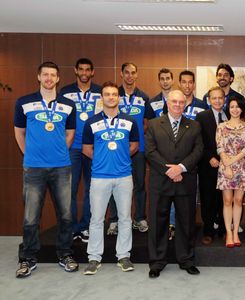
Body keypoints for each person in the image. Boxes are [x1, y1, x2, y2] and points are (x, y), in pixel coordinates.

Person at [14, 61, 78, 278]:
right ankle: (28, 258)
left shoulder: (68, 104)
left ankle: (65, 254)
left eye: (53, 75)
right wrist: (30, 155)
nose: (49, 78)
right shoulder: (24, 102)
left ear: (58, 78)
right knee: (31, 217)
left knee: (66, 215)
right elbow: (19, 133)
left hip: (61, 167)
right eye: (45, 75)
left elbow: (70, 133)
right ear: (39, 77)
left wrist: (58, 151)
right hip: (33, 169)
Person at [82, 81, 139, 275]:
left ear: (119, 98)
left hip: (124, 176)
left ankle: (123, 256)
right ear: (102, 98)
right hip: (99, 177)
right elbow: (86, 149)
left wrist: (120, 158)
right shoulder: (91, 122)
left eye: (114, 94)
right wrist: (102, 159)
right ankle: (94, 258)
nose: (111, 97)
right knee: (97, 219)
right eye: (107, 94)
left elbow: (134, 145)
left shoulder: (130, 121)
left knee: (124, 218)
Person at [146, 90, 203, 278]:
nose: (178, 104)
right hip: (160, 181)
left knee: (186, 222)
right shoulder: (154, 124)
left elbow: (198, 150)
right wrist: (169, 170)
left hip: (185, 181)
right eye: (174, 101)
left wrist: (181, 167)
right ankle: (157, 262)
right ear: (167, 103)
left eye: (181, 102)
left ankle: (186, 260)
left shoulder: (194, 126)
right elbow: (150, 151)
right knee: (157, 222)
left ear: (185, 104)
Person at [60, 58, 102, 243]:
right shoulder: (65, 92)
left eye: (88, 70)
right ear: (76, 70)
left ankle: (85, 227)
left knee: (91, 190)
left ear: (92, 72)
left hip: (94, 147)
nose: (84, 73)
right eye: (81, 70)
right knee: (70, 189)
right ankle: (71, 227)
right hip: (72, 148)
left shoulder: (100, 92)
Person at [108, 62, 150, 235]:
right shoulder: (113, 95)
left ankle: (139, 218)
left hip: (138, 150)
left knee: (139, 185)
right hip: (117, 150)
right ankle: (114, 220)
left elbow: (147, 123)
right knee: (114, 185)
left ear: (137, 74)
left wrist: (136, 137)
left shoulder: (144, 97)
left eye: (133, 72)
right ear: (121, 74)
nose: (130, 76)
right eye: (127, 72)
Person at [216, 97, 245, 248]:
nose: (235, 109)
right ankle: (228, 233)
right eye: (232, 106)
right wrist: (227, 164)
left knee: (238, 201)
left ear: (242, 108)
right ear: (228, 108)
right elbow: (219, 147)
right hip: (226, 167)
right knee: (227, 200)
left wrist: (232, 162)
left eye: (238, 106)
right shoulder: (221, 126)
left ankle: (236, 231)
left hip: (242, 166)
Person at [146, 68, 177, 240]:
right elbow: (149, 128)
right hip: (159, 156)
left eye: (168, 78)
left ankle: (173, 225)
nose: (165, 81)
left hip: (178, 156)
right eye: (162, 79)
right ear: (159, 81)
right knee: (162, 196)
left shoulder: (179, 99)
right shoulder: (152, 102)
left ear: (172, 80)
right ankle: (162, 228)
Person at [195, 86, 228, 245]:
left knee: (224, 199)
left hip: (227, 165)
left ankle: (223, 229)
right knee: (207, 198)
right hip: (207, 165)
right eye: (214, 98)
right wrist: (210, 158)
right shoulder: (201, 117)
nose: (217, 101)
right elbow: (199, 141)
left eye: (220, 98)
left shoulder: (230, 115)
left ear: (224, 99)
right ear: (209, 100)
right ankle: (208, 231)